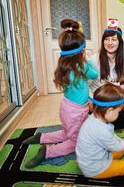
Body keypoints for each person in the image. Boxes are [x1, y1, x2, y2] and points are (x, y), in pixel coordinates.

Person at [23, 19, 99, 168]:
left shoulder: (63, 64)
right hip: (76, 111)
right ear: (82, 51)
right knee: (75, 140)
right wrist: (88, 60)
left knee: (67, 132)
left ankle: (42, 137)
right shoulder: (81, 66)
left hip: (66, 107)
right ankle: (47, 151)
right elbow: (95, 74)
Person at [89, 18, 124, 129]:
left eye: (114, 39)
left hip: (116, 98)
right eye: (107, 39)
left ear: (120, 42)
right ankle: (98, 117)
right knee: (120, 119)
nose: (110, 43)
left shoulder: (123, 61)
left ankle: (108, 120)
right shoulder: (94, 60)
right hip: (100, 101)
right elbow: (84, 84)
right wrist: (91, 102)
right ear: (103, 41)